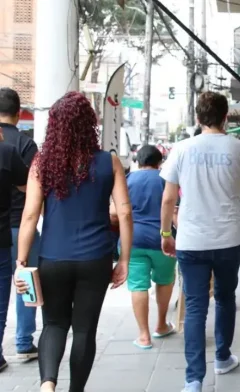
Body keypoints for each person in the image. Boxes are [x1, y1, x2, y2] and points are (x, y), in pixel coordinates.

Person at [14, 92, 133, 392]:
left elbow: (29, 216)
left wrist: (21, 261)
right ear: (88, 125)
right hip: (96, 259)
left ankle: (47, 385)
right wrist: (125, 260)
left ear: (54, 125)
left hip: (53, 258)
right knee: (84, 331)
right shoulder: (110, 162)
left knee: (53, 324)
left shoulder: (42, 163)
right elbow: (125, 212)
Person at [160, 91, 240, 392]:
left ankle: (193, 380)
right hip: (229, 238)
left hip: (191, 239)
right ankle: (223, 358)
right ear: (226, 116)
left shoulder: (182, 149)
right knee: (226, 297)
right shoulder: (239, 148)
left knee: (195, 306)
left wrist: (166, 234)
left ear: (198, 118)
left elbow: (168, 198)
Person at [110, 145, 176, 349]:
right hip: (162, 240)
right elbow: (174, 210)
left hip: (133, 240)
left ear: (138, 161)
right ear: (159, 162)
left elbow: (114, 213)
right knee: (164, 281)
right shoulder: (166, 179)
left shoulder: (127, 179)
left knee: (138, 285)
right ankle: (161, 325)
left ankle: (144, 336)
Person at [0, 88, 39, 361]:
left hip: (4, 229)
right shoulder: (26, 144)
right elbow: (34, 188)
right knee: (26, 280)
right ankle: (24, 341)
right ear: (18, 112)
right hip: (21, 225)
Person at [0, 124, 29, 373]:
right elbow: (27, 186)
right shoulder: (8, 151)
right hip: (8, 232)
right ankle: (16, 346)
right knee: (5, 296)